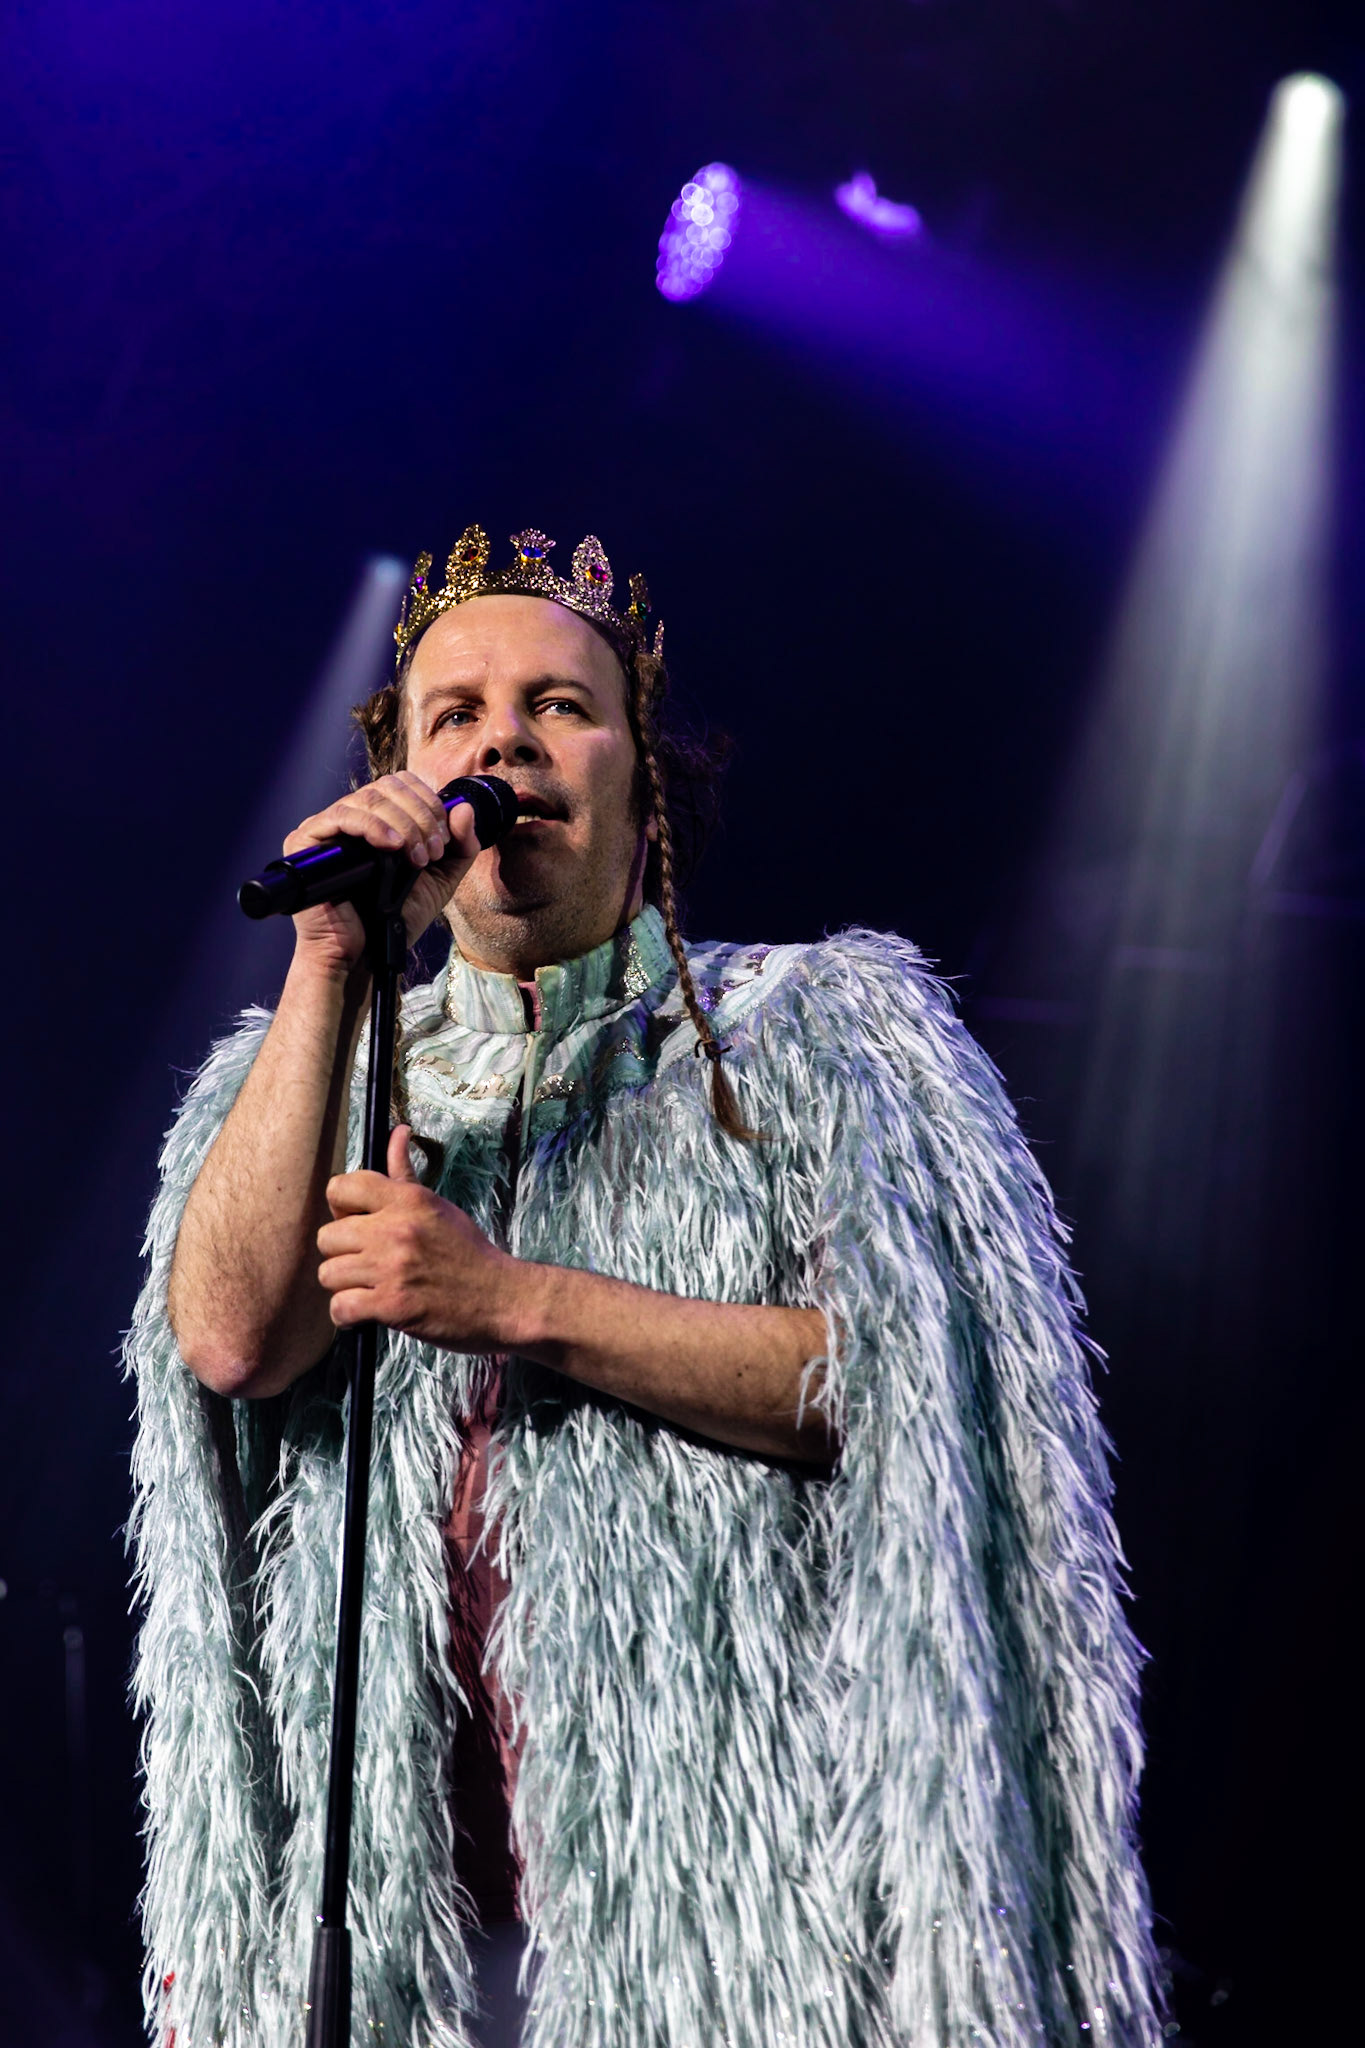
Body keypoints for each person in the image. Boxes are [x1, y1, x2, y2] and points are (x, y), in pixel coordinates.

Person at [127, 524, 1160, 2048]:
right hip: (409, 1953)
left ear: (640, 765)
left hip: (749, 1931)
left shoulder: (819, 1037)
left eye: (557, 705)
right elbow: (228, 1337)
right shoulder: (300, 1068)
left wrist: (509, 1300)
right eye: (455, 716)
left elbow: (918, 1395)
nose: (503, 745)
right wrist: (334, 960)